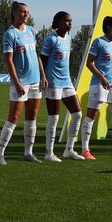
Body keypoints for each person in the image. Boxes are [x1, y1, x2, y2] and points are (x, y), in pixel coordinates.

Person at [0, 1, 47, 164]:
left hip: (35, 81)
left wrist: (43, 76)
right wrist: (16, 82)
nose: (26, 14)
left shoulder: (31, 31)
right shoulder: (10, 34)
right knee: (14, 117)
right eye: (23, 12)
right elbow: (9, 61)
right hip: (21, 82)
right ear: (14, 13)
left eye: (28, 12)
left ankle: (28, 153)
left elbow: (37, 55)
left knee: (32, 118)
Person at [80, 16, 112, 159]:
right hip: (99, 84)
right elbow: (89, 63)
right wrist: (102, 77)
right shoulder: (99, 42)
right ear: (108, 27)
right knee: (91, 116)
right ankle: (85, 150)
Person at [39, 11, 84, 162]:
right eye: (66, 21)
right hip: (53, 82)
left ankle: (69, 150)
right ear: (58, 22)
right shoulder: (51, 39)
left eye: (70, 21)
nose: (69, 23)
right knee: (54, 118)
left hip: (66, 81)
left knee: (77, 114)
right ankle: (49, 153)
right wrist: (43, 78)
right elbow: (42, 59)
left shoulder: (69, 39)